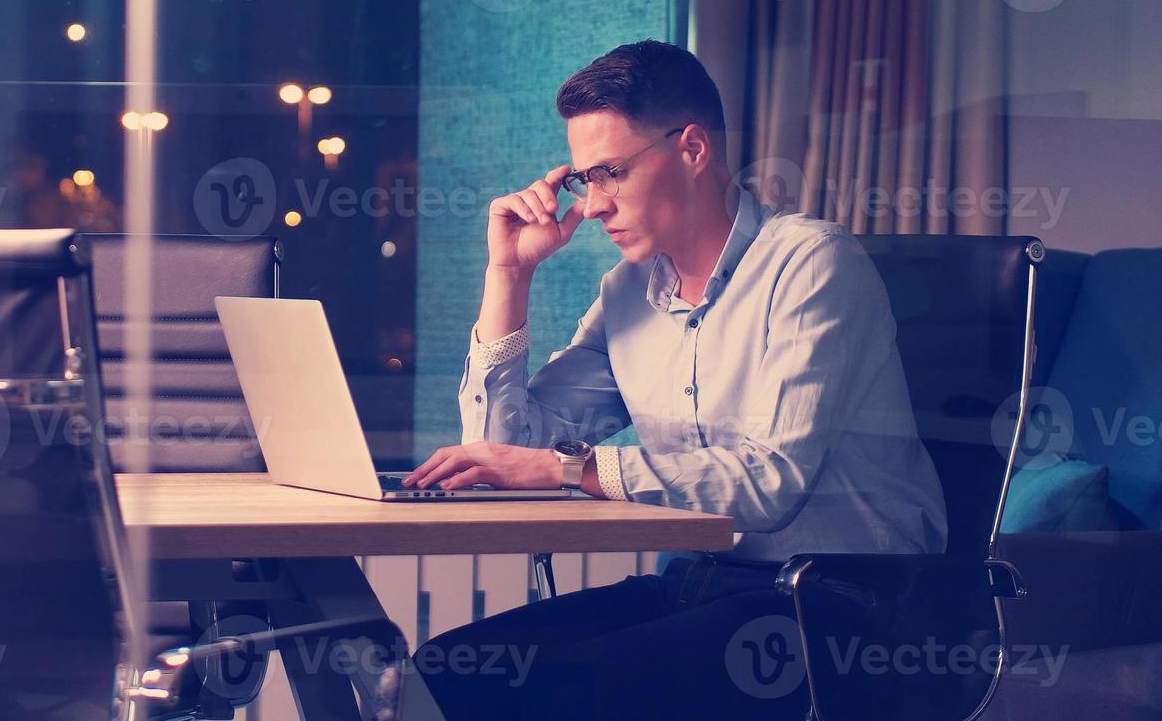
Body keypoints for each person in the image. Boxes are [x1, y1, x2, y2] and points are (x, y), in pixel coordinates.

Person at [404, 40, 946, 719]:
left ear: (691, 149)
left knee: (558, 692)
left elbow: (765, 482)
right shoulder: (629, 290)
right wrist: (507, 277)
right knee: (444, 675)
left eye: (609, 173)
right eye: (582, 181)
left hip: (839, 605)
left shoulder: (811, 263)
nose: (593, 204)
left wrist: (563, 470)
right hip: (706, 584)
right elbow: (497, 449)